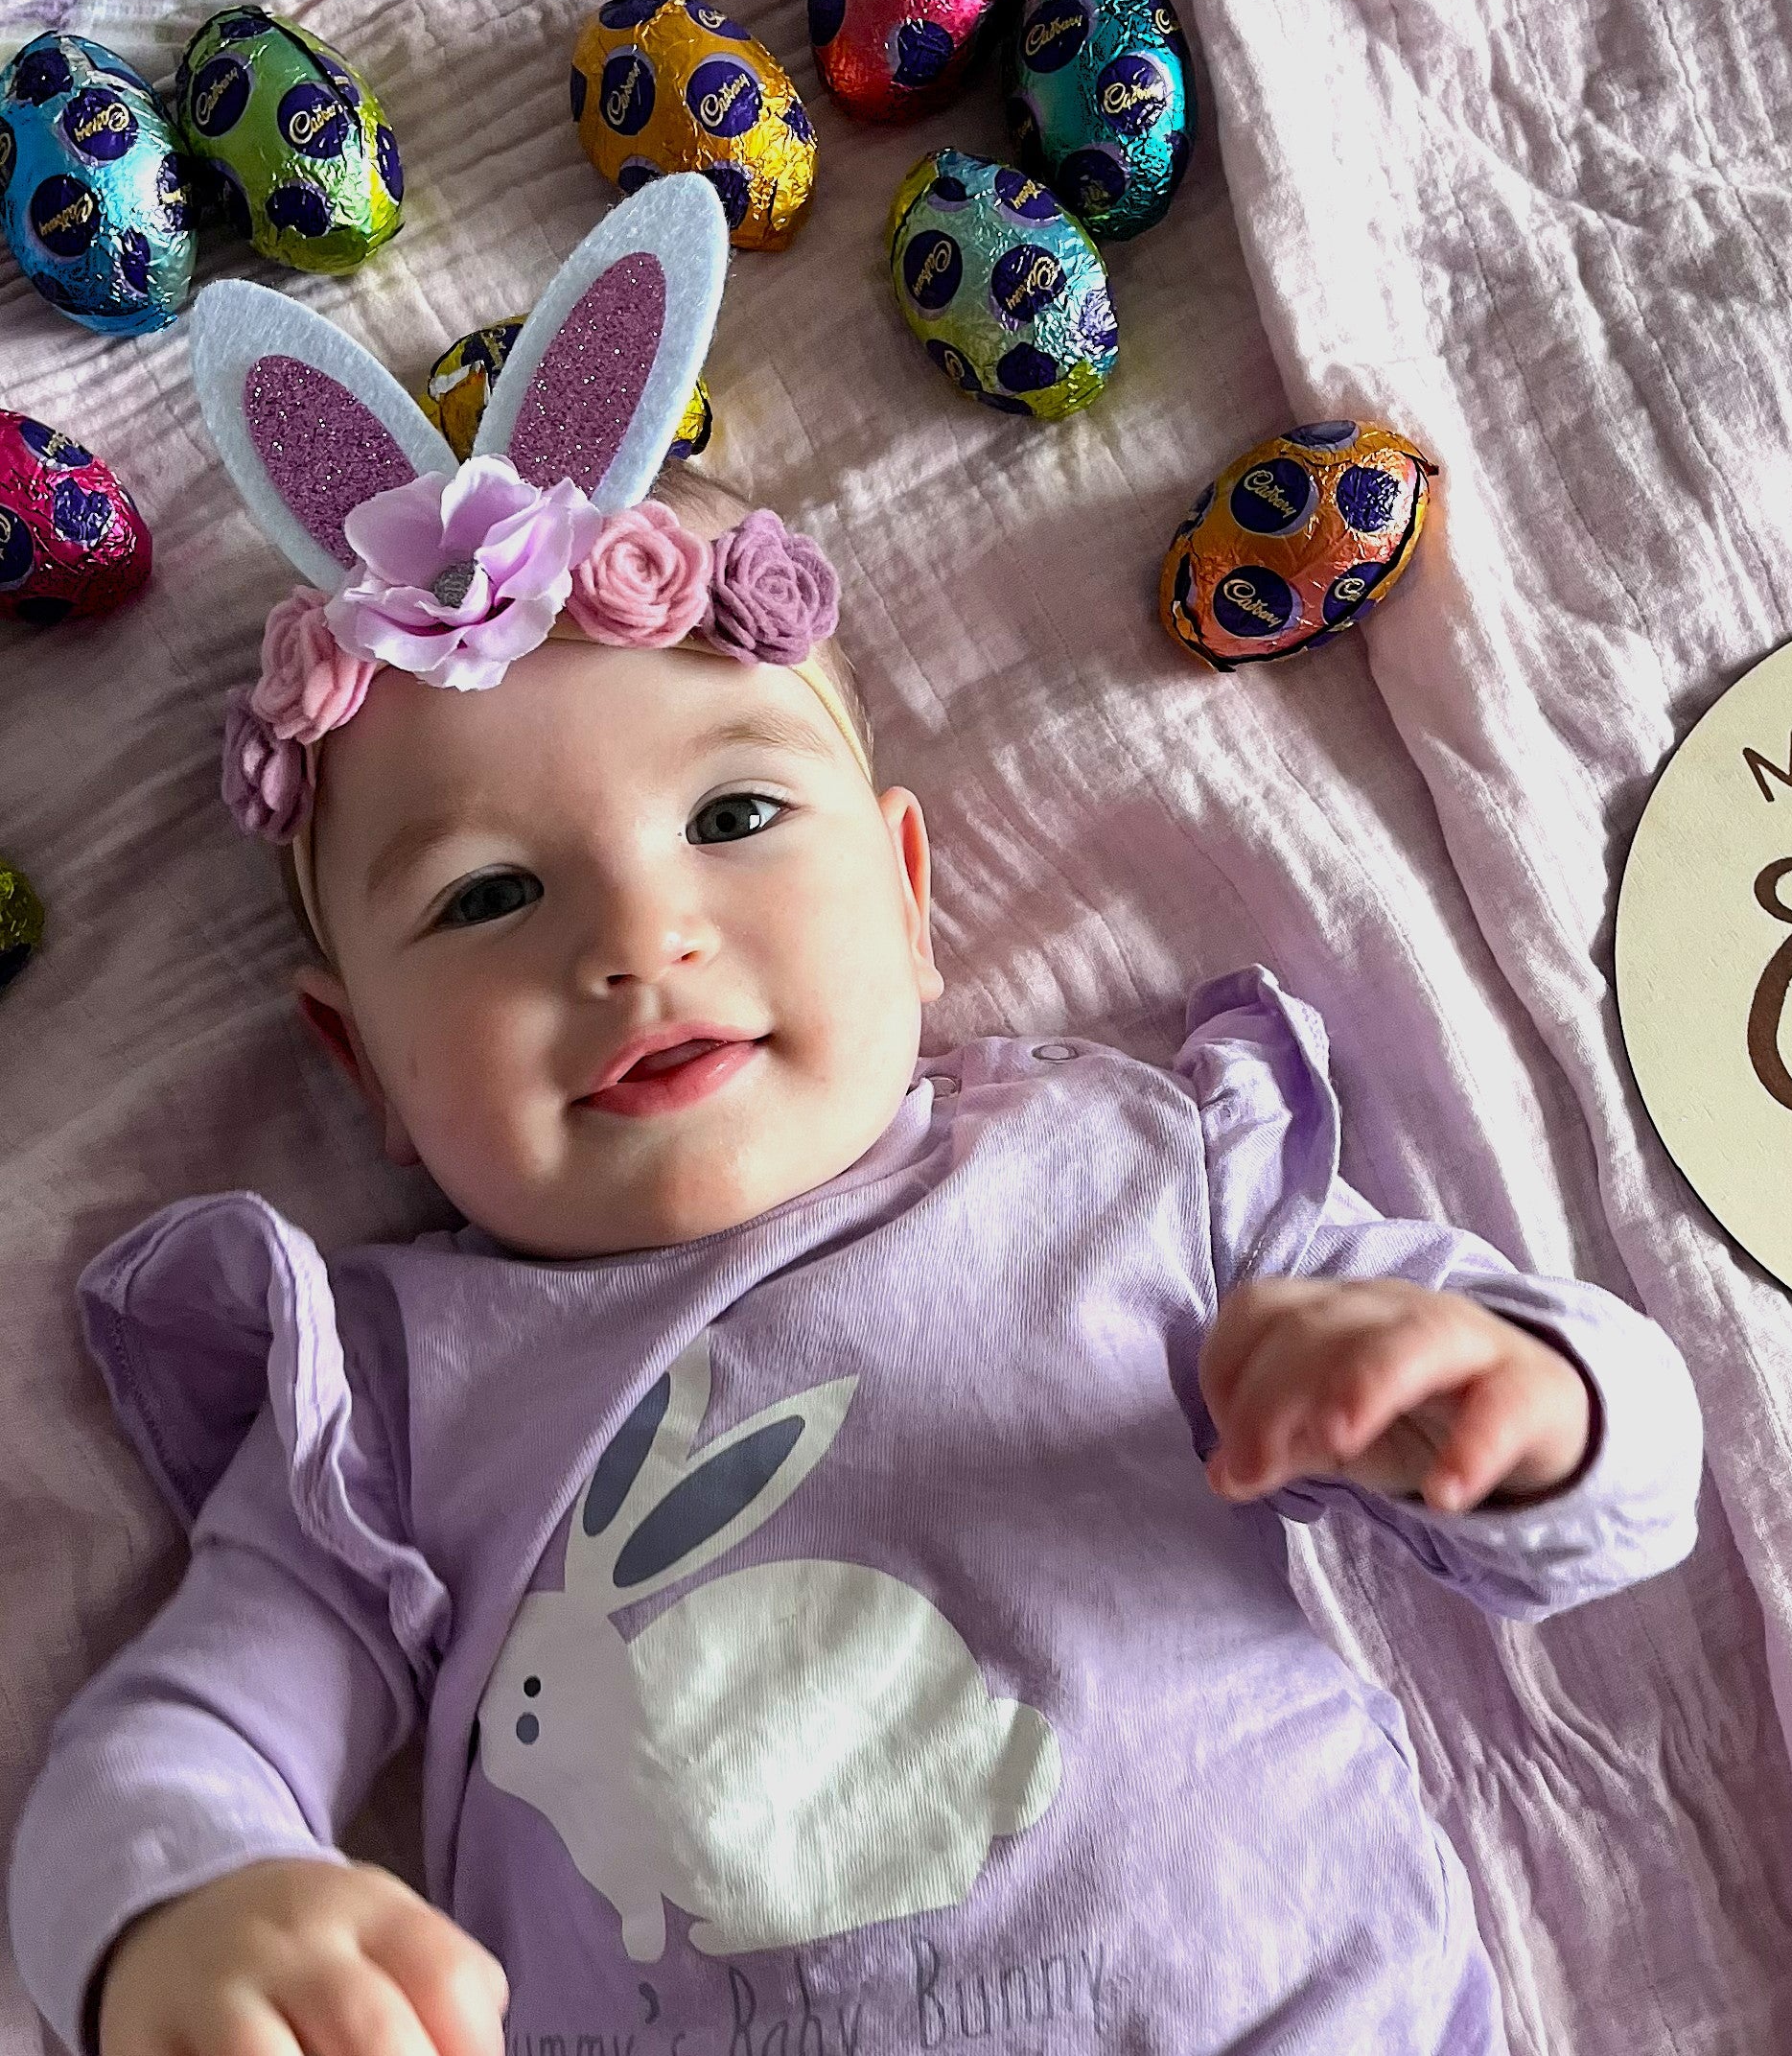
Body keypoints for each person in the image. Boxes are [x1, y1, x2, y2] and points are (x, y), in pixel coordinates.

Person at [7, 176, 1704, 2056]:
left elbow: (1617, 1506)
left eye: (734, 817)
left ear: (906, 894)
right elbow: (175, 1735)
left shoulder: (1129, 1175)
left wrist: (1523, 1400)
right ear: (361, 1067)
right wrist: (181, 1899)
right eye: (490, 898)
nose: (639, 939)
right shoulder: (396, 1400)